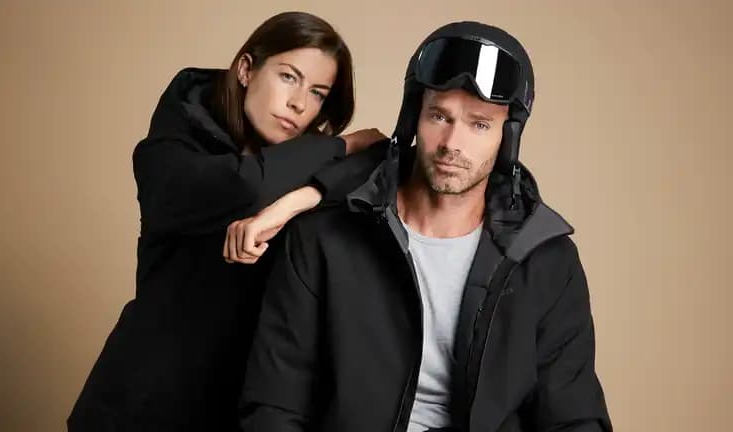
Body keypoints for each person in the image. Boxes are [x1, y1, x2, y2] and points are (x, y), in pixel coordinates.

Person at [237, 21, 612, 432]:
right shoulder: (322, 239)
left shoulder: (546, 260)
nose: (452, 143)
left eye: (479, 124)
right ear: (413, 117)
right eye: (439, 116)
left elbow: (574, 416)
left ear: (507, 137)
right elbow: (274, 406)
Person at [68, 11, 387, 432]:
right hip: (140, 403)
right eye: (288, 77)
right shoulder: (170, 151)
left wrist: (296, 202)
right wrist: (343, 144)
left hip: (233, 407)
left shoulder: (307, 170)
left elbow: (386, 163)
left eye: (317, 93)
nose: (299, 103)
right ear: (246, 69)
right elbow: (245, 186)